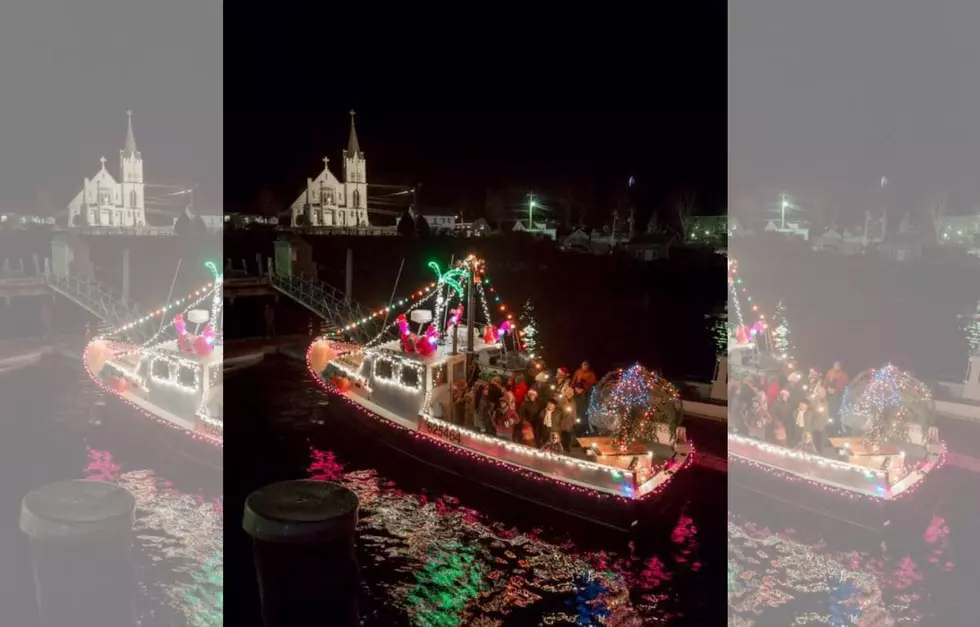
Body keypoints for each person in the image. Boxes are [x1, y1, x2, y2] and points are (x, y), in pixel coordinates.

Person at [559, 386, 578, 452]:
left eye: (571, 393)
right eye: (568, 393)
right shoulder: (562, 400)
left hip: (570, 421)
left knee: (568, 435)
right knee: (563, 435)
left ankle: (566, 447)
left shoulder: (573, 401)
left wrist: (575, 420)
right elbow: (559, 410)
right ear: (566, 394)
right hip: (563, 420)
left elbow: (574, 411)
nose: (569, 394)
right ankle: (562, 446)